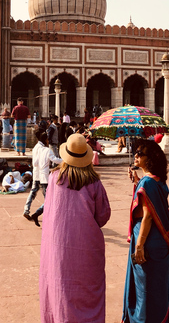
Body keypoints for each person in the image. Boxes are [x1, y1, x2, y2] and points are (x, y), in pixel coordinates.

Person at [39, 127, 111, 323]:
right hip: (86, 247)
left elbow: (50, 208)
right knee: (87, 291)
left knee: (58, 288)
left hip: (58, 244)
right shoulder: (94, 182)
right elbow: (103, 216)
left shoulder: (55, 178)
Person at [123, 139, 169, 323]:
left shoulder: (148, 183)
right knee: (158, 289)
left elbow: (147, 216)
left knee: (144, 291)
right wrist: (138, 182)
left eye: (139, 153)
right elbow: (151, 196)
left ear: (149, 159)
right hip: (159, 242)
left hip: (147, 243)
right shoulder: (156, 180)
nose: (135, 155)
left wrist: (139, 246)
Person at [24, 129, 63, 226]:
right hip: (42, 176)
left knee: (37, 193)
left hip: (38, 174)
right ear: (45, 140)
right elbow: (54, 159)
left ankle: (28, 210)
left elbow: (35, 163)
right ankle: (37, 213)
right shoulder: (44, 149)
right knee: (48, 197)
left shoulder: (38, 148)